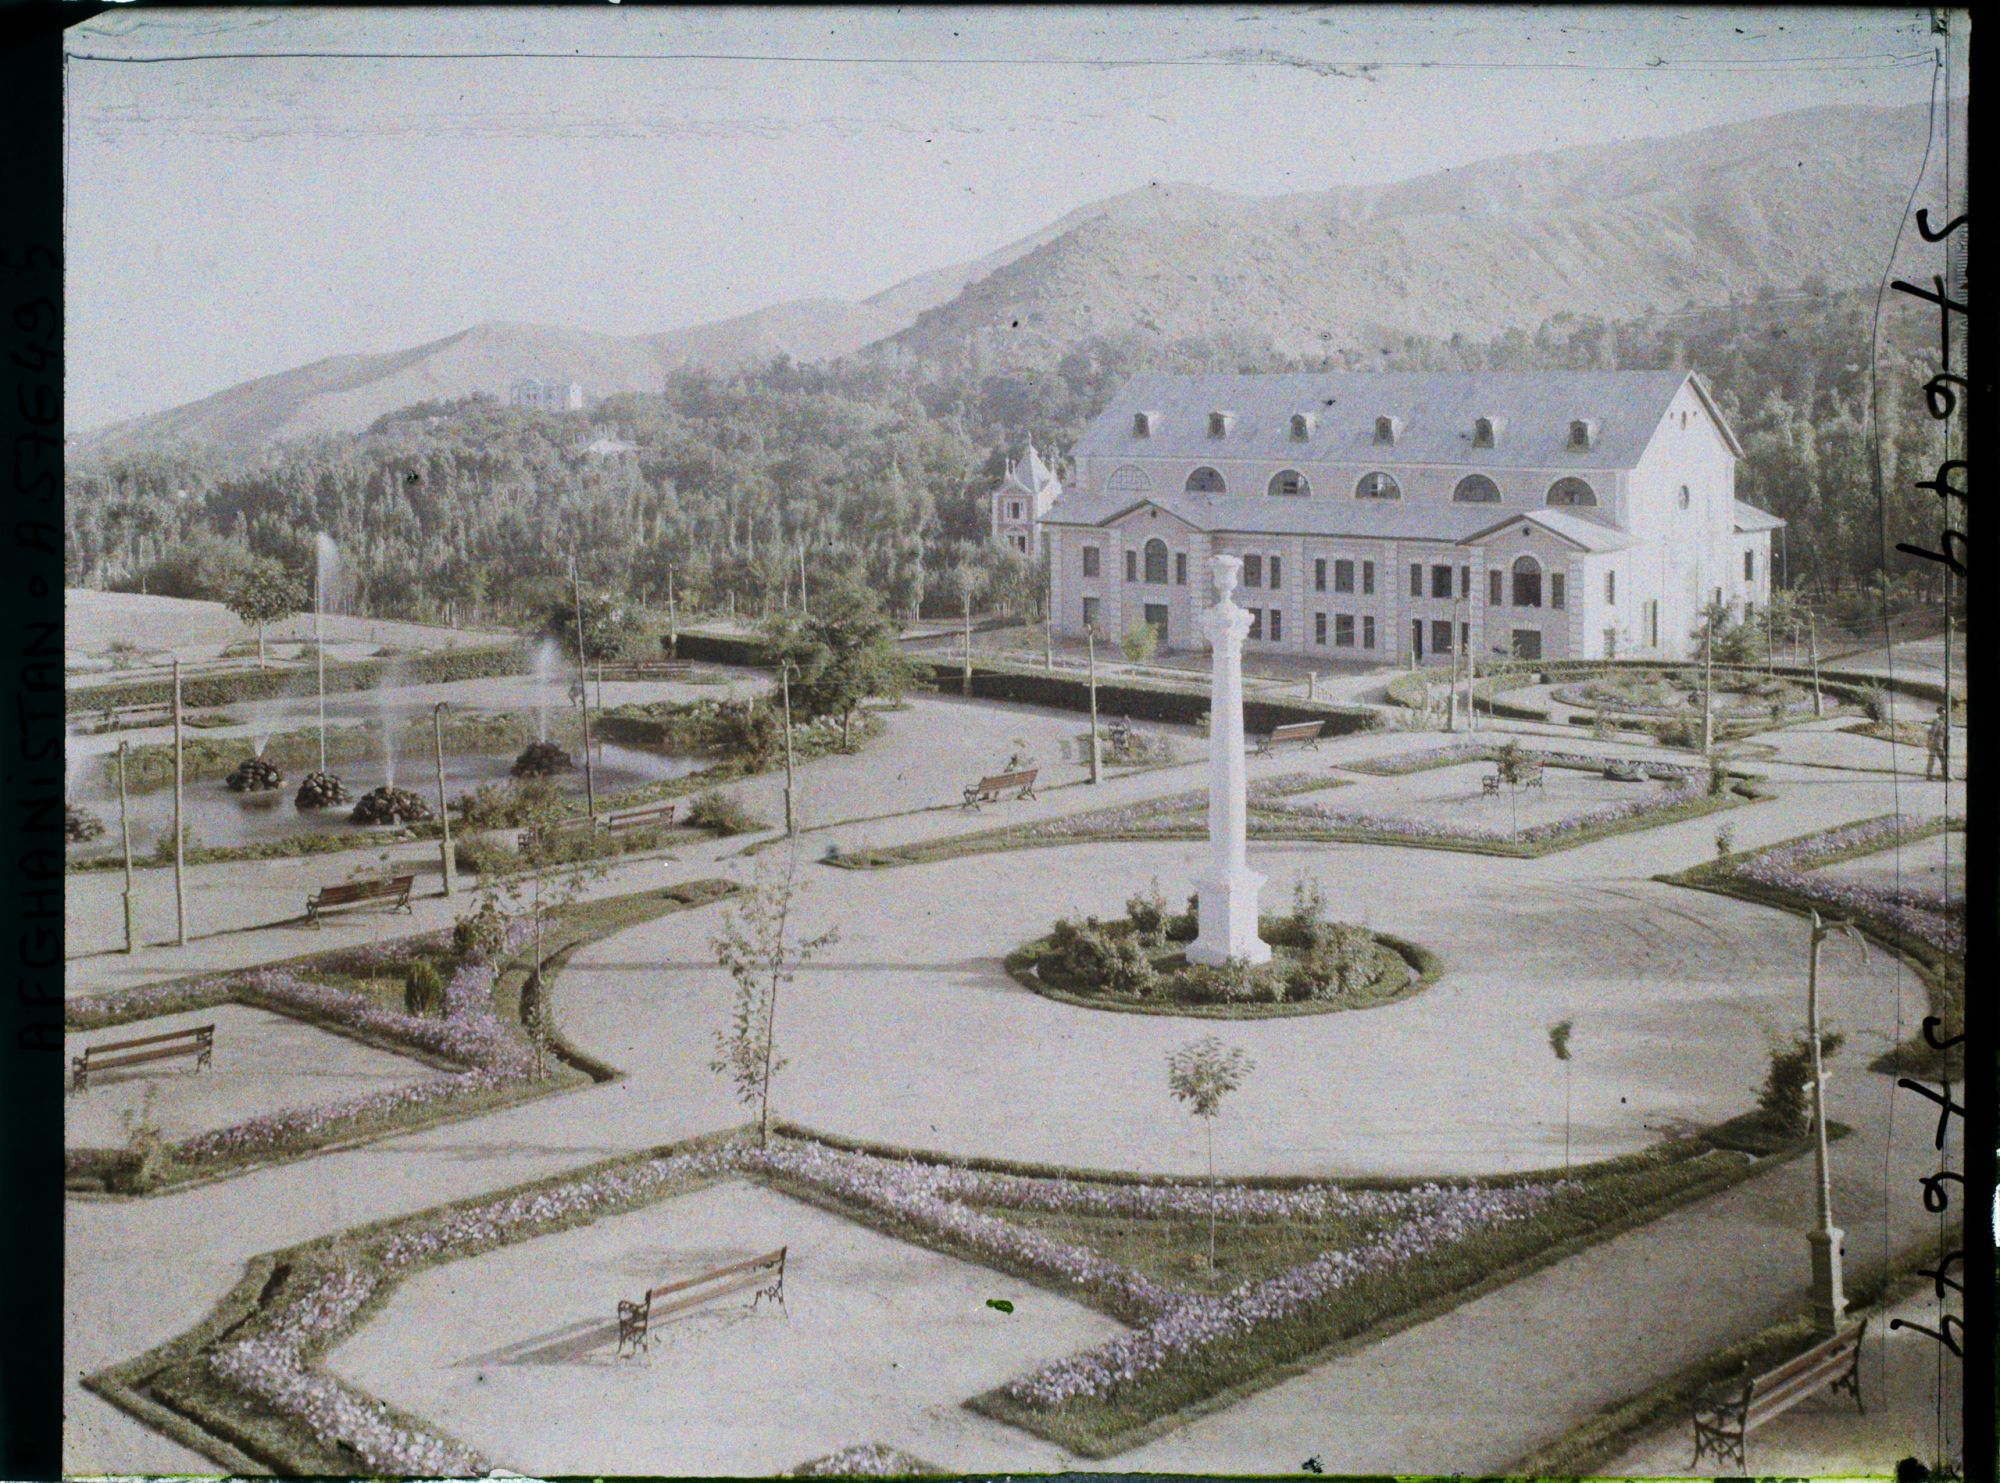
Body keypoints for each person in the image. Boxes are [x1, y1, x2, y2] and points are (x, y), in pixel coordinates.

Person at [1926, 705, 1952, 781]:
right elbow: (1932, 732)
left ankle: (1935, 775)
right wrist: (1929, 742)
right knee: (1937, 758)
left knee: (1935, 758)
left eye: (1945, 713)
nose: (1944, 714)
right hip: (1936, 743)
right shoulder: (1937, 721)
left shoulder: (1944, 722)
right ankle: (1944, 775)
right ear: (1939, 713)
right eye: (1943, 713)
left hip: (1940, 742)